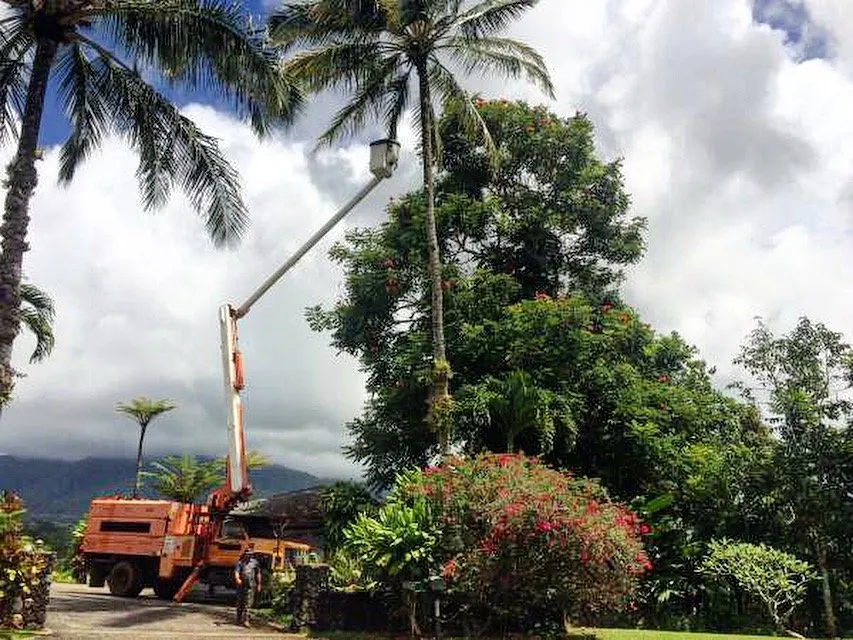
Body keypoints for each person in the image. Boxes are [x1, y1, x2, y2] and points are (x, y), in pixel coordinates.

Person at [234, 547, 262, 627]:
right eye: (247, 554)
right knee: (240, 602)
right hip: (241, 585)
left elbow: (258, 573)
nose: (249, 556)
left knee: (248, 603)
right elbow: (236, 572)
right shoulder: (240, 562)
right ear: (245, 554)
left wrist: (259, 584)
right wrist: (237, 578)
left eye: (250, 554)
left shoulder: (255, 563)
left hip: (250, 585)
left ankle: (246, 620)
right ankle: (238, 618)